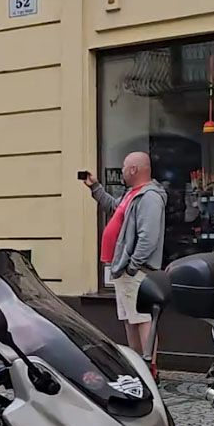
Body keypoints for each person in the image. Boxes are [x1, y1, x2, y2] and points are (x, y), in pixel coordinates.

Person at [84, 152, 167, 376]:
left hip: (136, 271)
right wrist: (96, 188)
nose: (121, 171)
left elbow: (148, 236)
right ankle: (137, 366)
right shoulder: (132, 194)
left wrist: (132, 265)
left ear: (133, 170)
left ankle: (149, 368)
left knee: (141, 318)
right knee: (131, 318)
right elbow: (114, 207)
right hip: (124, 269)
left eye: (123, 167)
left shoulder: (149, 197)